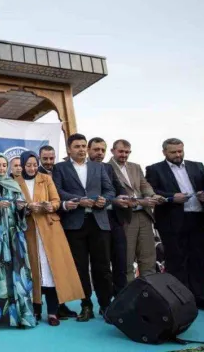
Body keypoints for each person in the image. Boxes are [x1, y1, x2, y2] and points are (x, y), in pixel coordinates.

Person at [145, 138, 204, 313]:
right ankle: (180, 302)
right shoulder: (154, 169)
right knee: (176, 262)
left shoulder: (197, 166)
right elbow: (151, 192)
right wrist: (172, 197)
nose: (177, 155)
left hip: (198, 219)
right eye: (173, 152)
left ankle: (200, 298)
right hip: (172, 222)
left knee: (199, 260)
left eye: (180, 151)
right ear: (164, 152)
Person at [14, 151, 84, 327]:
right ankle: (36, 310)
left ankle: (53, 312)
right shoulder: (16, 181)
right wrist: (27, 208)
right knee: (33, 270)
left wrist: (48, 206)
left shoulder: (46, 178)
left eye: (34, 165)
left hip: (50, 229)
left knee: (51, 270)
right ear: (22, 165)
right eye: (28, 165)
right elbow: (15, 206)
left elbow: (56, 201)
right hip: (29, 231)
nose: (32, 168)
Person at [52, 133, 115, 321]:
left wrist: (105, 200)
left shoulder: (99, 167)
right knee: (80, 267)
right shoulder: (60, 168)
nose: (81, 149)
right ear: (69, 149)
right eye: (77, 146)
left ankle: (106, 306)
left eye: (83, 146)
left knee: (102, 267)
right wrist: (79, 200)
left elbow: (110, 190)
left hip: (99, 222)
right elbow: (57, 191)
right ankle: (86, 305)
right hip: (75, 224)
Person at [0, 154, 34, 328]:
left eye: (4, 165)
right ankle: (1, 319)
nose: (1, 168)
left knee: (18, 273)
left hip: (14, 235)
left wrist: (21, 208)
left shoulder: (14, 185)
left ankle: (22, 317)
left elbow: (22, 212)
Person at [108, 139, 162, 283]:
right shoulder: (106, 168)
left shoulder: (135, 167)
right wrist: (140, 201)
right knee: (126, 260)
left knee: (148, 258)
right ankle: (130, 293)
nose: (124, 155)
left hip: (144, 215)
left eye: (127, 152)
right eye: (121, 151)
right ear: (112, 151)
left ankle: (150, 290)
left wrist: (152, 196)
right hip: (125, 217)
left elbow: (145, 186)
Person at [88, 137, 129, 295]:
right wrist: (109, 200)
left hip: (114, 219)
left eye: (102, 150)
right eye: (96, 149)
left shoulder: (108, 168)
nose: (100, 153)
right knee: (101, 264)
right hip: (95, 220)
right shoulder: (82, 169)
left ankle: (122, 298)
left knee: (121, 261)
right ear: (88, 150)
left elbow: (119, 188)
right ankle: (105, 300)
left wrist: (125, 197)